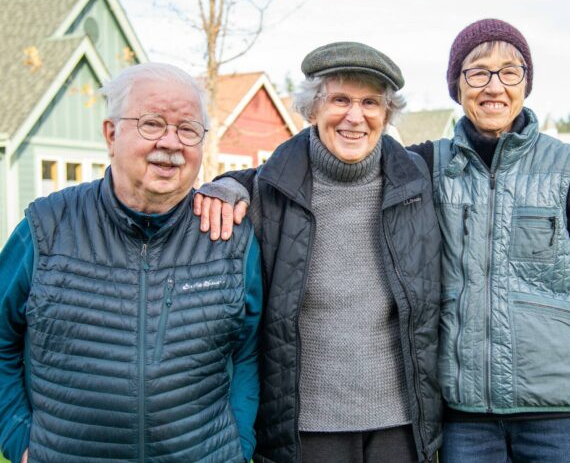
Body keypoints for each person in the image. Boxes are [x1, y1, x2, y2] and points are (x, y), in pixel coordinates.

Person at [0, 62, 262, 463]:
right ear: (111, 134)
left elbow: (248, 353)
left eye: (188, 129)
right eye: (152, 124)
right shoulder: (47, 228)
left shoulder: (229, 239)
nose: (171, 143)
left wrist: (238, 447)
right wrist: (18, 436)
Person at [196, 42, 442, 463]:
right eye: (340, 99)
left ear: (386, 114)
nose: (354, 116)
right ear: (312, 109)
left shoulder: (419, 182)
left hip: (400, 424)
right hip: (306, 427)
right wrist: (227, 183)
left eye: (370, 103)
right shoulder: (267, 192)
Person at [407, 18, 570, 463]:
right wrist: (235, 186)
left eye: (509, 71)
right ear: (457, 88)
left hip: (557, 415)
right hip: (465, 417)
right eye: (477, 72)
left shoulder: (565, 167)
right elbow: (345, 161)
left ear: (526, 84)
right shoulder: (429, 164)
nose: (494, 86)